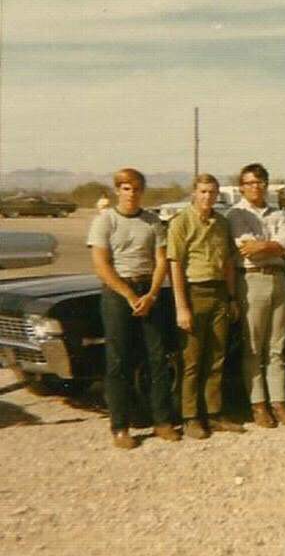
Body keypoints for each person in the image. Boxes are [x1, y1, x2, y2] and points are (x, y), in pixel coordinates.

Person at [87, 168, 178, 449]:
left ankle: (163, 421)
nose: (131, 193)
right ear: (117, 190)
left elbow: (161, 259)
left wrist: (151, 294)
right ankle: (120, 427)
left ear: (142, 191)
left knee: (158, 357)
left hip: (149, 292)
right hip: (118, 293)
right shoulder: (105, 221)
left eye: (136, 188)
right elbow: (101, 264)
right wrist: (128, 295)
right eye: (125, 188)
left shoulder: (152, 221)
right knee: (119, 361)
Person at [167, 173, 245, 438]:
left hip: (219, 293)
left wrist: (232, 297)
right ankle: (190, 417)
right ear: (194, 193)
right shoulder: (181, 222)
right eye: (202, 192)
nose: (207, 197)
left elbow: (228, 264)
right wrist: (182, 306)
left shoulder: (221, 223)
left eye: (212, 192)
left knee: (216, 357)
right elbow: (175, 265)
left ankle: (213, 413)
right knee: (191, 360)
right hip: (193, 292)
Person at [227, 163, 285, 428]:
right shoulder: (235, 214)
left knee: (276, 346)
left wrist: (266, 245)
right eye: (249, 183)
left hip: (278, 279)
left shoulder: (277, 213)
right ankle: (258, 405)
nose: (255, 187)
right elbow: (247, 249)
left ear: (266, 185)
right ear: (241, 187)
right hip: (251, 279)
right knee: (254, 347)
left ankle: (279, 403)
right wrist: (272, 246)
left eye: (259, 182)